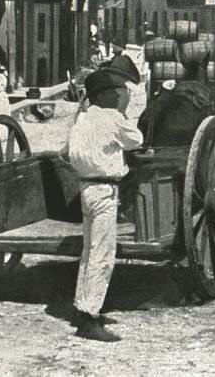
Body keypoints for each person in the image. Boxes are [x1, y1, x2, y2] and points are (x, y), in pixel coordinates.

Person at [66, 69, 143, 342]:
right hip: (105, 189)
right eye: (120, 94)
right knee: (103, 254)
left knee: (89, 252)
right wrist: (123, 116)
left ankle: (80, 306)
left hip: (85, 187)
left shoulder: (83, 119)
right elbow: (137, 140)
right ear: (107, 95)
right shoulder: (112, 119)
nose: (123, 98)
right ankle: (90, 318)